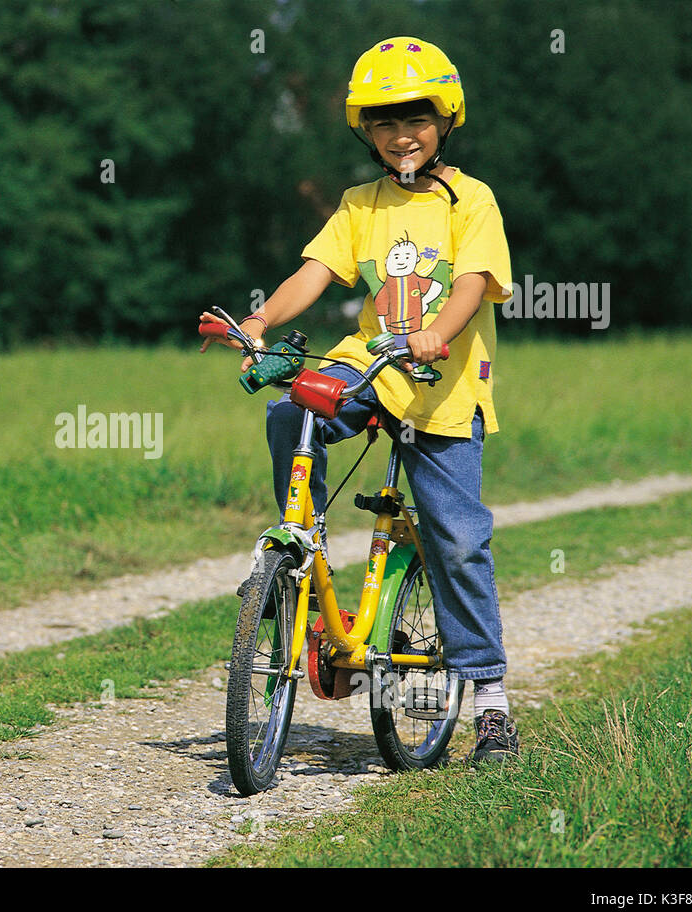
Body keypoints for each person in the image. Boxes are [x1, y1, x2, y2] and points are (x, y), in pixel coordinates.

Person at [201, 37, 517, 762]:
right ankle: (301, 560)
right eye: (383, 122)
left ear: (446, 119)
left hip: (441, 391)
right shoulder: (359, 204)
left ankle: (492, 704)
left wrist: (436, 332)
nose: (401, 134)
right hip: (369, 368)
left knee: (459, 541)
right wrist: (258, 321)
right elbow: (315, 270)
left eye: (416, 118)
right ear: (365, 133)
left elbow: (472, 281)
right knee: (291, 411)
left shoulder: (473, 201)